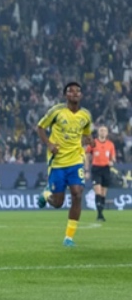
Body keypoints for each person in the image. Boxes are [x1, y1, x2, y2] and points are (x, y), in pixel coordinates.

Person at [36, 81, 94, 247]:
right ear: (65, 95)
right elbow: (40, 127)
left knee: (77, 194)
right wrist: (49, 144)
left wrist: (90, 140)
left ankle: (69, 238)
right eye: (70, 91)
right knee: (58, 202)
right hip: (58, 161)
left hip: (75, 160)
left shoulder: (86, 115)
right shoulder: (56, 111)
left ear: (81, 95)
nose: (75, 93)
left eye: (78, 91)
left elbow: (86, 133)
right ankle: (46, 195)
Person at [86, 125, 116, 222]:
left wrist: (112, 161)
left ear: (107, 133)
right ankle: (99, 214)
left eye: (104, 130)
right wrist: (86, 170)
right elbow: (87, 156)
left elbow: (113, 158)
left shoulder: (110, 144)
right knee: (98, 191)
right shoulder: (93, 143)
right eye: (101, 130)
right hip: (96, 169)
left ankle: (101, 212)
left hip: (106, 169)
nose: (103, 132)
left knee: (103, 193)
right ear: (98, 132)